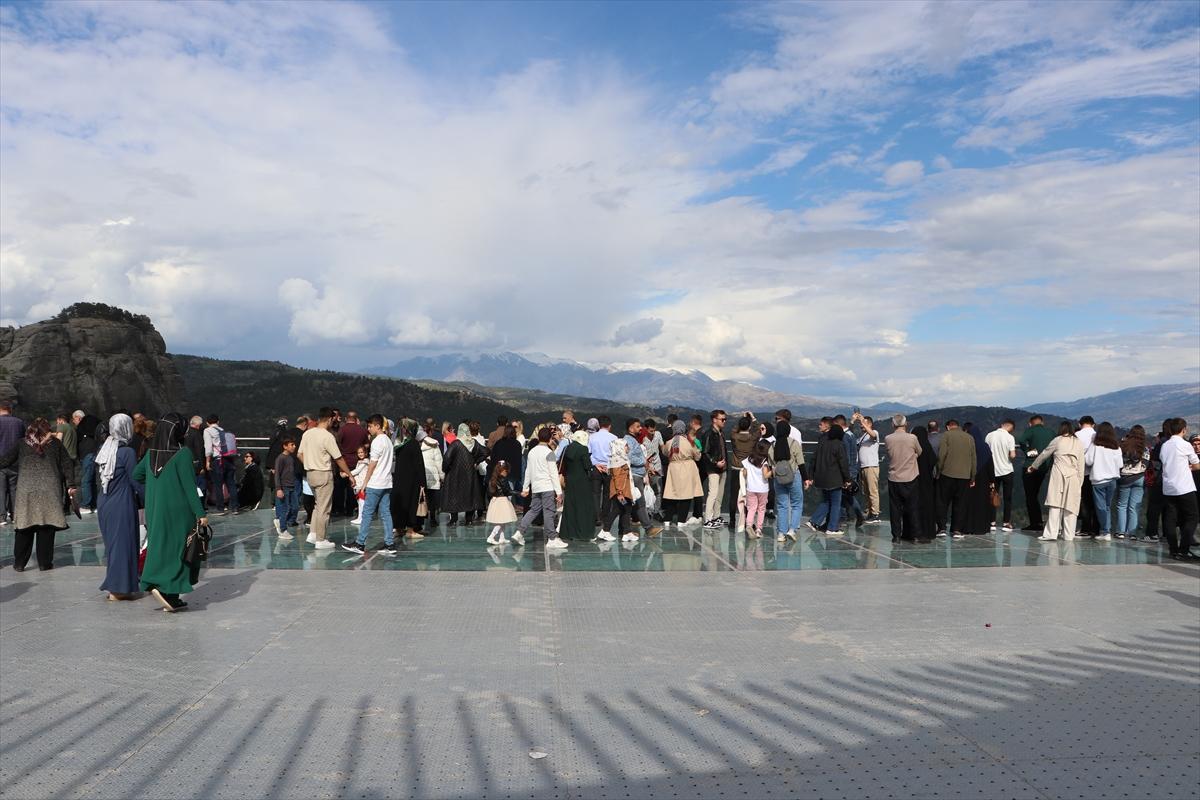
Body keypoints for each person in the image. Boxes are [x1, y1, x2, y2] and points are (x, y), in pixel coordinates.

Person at [135, 414, 208, 611]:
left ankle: (164, 589)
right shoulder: (182, 454)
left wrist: (156, 485)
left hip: (155, 509)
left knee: (161, 545)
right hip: (179, 510)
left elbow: (136, 474)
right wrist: (201, 514)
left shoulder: (151, 453)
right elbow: (189, 488)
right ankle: (169, 590)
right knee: (181, 550)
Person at [0, 417, 75, 571]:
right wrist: (71, 484)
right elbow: (67, 464)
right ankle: (44, 563)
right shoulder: (55, 444)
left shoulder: (22, 443)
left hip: (26, 492)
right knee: (46, 527)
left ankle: (19, 563)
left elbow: (5, 460)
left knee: (24, 528)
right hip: (50, 491)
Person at [95, 413, 142, 599]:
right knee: (124, 544)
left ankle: (117, 585)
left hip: (105, 502)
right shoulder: (127, 452)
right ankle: (118, 588)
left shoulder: (104, 449)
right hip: (121, 501)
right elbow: (135, 481)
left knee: (114, 546)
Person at [296, 407, 351, 549]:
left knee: (317, 505)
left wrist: (309, 463)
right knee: (324, 508)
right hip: (323, 474)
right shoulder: (327, 436)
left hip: (310, 474)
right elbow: (338, 458)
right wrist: (349, 474)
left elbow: (299, 454)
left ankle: (313, 534)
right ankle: (321, 539)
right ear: (330, 418)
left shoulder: (308, 433)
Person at [343, 415, 397, 555]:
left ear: (378, 426)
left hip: (376, 483)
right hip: (387, 482)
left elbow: (372, 464)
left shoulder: (377, 441)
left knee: (367, 513)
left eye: (370, 426)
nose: (369, 429)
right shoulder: (388, 441)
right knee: (385, 513)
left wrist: (365, 483)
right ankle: (389, 544)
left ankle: (360, 543)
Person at [1028, 421, 1085, 542]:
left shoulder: (1057, 440)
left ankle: (1051, 534)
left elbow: (1044, 454)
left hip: (1058, 473)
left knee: (1055, 504)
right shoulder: (1079, 442)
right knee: (1071, 507)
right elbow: (1081, 464)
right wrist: (1080, 482)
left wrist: (1033, 466)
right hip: (1074, 475)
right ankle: (1069, 535)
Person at [516, 427, 567, 549]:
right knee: (549, 512)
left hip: (536, 486)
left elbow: (528, 471)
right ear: (550, 439)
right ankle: (552, 538)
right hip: (547, 487)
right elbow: (553, 473)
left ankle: (519, 532)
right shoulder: (549, 453)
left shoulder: (532, 452)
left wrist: (525, 487)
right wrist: (559, 492)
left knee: (533, 510)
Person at [1159, 418, 1199, 560]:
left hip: (1169, 487)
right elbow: (1196, 465)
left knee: (1170, 518)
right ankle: (1184, 548)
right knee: (1192, 517)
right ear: (1184, 430)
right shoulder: (1185, 444)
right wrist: (1188, 467)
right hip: (1184, 486)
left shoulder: (1165, 445)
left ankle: (1173, 549)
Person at [885, 414, 924, 543]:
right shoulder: (912, 438)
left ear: (893, 425)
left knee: (895, 508)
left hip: (894, 477)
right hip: (910, 476)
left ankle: (896, 535)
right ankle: (915, 535)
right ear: (905, 424)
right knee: (913, 507)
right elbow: (920, 451)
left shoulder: (888, 438)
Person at [936, 420, 976, 539]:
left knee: (943, 502)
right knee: (960, 504)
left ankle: (942, 528)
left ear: (948, 427)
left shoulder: (946, 435)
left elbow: (942, 454)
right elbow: (974, 458)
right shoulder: (969, 437)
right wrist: (972, 476)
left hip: (947, 474)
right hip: (964, 476)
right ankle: (957, 530)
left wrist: (939, 470)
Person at [809, 424, 850, 535]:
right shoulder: (839, 445)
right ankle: (832, 528)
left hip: (821, 478)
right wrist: (847, 478)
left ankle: (814, 521)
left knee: (826, 501)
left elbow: (813, 459)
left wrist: (811, 475)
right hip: (835, 479)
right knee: (836, 503)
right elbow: (843, 463)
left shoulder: (822, 443)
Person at [391, 419, 428, 541]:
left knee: (400, 504)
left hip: (399, 479)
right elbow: (419, 465)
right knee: (411, 503)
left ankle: (398, 528)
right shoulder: (413, 443)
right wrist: (423, 483)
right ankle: (410, 530)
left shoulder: (398, 444)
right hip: (412, 480)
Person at [1085, 422, 1123, 540]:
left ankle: (1105, 531)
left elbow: (1088, 461)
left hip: (1098, 480)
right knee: (1107, 506)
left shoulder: (1095, 446)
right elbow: (1120, 464)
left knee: (1101, 507)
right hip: (1112, 480)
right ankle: (1107, 530)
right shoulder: (1116, 447)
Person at [1017, 415, 1055, 531]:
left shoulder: (1031, 430)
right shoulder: (1051, 432)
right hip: (1045, 467)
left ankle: (1035, 523)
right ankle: (1039, 522)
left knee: (1030, 496)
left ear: (1030, 423)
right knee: (1036, 494)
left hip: (1030, 465)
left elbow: (1021, 440)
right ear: (1042, 422)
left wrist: (1028, 452)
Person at [771, 420, 807, 542]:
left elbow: (771, 464)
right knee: (797, 504)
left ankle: (781, 533)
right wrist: (806, 478)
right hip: (794, 476)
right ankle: (792, 530)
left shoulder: (772, 446)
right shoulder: (794, 443)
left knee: (782, 506)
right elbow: (801, 463)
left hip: (778, 478)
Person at [662, 420, 703, 527]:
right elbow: (697, 456)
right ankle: (681, 520)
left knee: (672, 494)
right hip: (687, 468)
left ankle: (667, 519)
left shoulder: (670, 442)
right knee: (686, 495)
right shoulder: (689, 442)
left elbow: (665, 452)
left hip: (673, 468)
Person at [441, 423, 485, 525]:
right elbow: (486, 452)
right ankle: (469, 519)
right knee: (470, 495)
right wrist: (476, 462)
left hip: (455, 474)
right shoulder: (473, 443)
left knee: (454, 496)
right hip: (470, 474)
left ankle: (454, 519)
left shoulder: (456, 443)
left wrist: (445, 468)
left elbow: (447, 457)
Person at [559, 430, 596, 542]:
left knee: (570, 507)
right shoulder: (583, 449)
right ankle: (584, 533)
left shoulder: (567, 448)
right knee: (584, 508)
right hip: (582, 482)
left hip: (570, 480)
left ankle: (567, 533)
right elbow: (587, 466)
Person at [1115, 425, 1149, 540]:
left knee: (1122, 505)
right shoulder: (1145, 448)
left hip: (1125, 478)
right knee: (1134, 507)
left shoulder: (1124, 445)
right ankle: (1132, 533)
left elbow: (1118, 461)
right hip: (1139, 478)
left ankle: (1120, 531)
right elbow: (1146, 464)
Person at [334, 411, 370, 516]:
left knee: (340, 487)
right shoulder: (362, 430)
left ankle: (340, 509)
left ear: (346, 418)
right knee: (353, 486)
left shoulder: (342, 430)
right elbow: (367, 444)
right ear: (356, 418)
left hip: (344, 461)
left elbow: (337, 444)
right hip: (357, 461)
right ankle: (350, 509)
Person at [984, 420, 1017, 531]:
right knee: (1008, 498)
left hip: (993, 471)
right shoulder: (1009, 438)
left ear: (1002, 425)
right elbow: (1012, 455)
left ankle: (991, 522)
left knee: (993, 496)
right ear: (1011, 428)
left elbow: (985, 452)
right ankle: (1006, 523)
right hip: (1006, 470)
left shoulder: (989, 435)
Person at [963, 423, 994, 535]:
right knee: (982, 504)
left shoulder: (967, 445)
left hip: (969, 478)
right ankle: (981, 527)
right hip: (984, 480)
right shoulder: (985, 447)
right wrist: (992, 480)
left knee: (969, 503)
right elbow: (990, 464)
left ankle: (968, 527)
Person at [728, 414, 756, 531]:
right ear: (749, 427)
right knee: (749, 496)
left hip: (736, 468)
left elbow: (733, 430)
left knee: (734, 495)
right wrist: (753, 419)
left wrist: (740, 421)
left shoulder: (734, 437)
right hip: (748, 470)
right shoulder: (752, 438)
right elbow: (759, 430)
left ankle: (732, 520)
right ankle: (747, 520)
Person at [700, 410, 728, 529]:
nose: (724, 421)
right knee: (713, 493)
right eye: (722, 419)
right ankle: (708, 519)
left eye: (725, 419)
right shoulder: (709, 433)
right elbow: (705, 452)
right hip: (714, 469)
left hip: (723, 468)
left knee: (719, 494)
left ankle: (716, 516)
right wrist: (716, 463)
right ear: (714, 420)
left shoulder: (720, 433)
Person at [588, 416, 617, 531]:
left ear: (599, 425)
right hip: (609, 467)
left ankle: (596, 517)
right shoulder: (614, 437)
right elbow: (616, 454)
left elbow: (588, 453)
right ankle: (605, 517)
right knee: (607, 494)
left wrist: (595, 464)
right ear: (610, 425)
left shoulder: (592, 437)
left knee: (595, 493)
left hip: (596, 467)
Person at [0, 401, 26, 525]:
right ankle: (15, 515)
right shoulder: (19, 422)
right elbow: (24, 441)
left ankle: (2, 517)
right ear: (10, 410)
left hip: (1, 461)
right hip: (16, 461)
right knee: (14, 489)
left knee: (1, 490)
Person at [741, 440, 773, 539]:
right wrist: (773, 471)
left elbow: (744, 473)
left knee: (751, 508)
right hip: (762, 489)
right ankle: (758, 530)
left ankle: (749, 525)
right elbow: (765, 475)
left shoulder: (749, 459)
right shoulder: (765, 461)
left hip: (751, 488)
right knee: (761, 509)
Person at [854, 413, 881, 523]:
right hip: (863, 466)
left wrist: (863, 422)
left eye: (864, 424)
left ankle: (875, 514)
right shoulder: (862, 437)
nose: (861, 427)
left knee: (872, 490)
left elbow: (873, 436)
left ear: (869, 424)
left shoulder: (874, 433)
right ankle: (869, 511)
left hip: (871, 466)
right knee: (866, 491)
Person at [913, 425, 938, 542]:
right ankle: (929, 531)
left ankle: (914, 531)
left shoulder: (914, 448)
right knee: (928, 505)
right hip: (927, 481)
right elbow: (933, 460)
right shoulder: (927, 447)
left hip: (914, 480)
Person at [74, 410, 102, 514]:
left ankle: (86, 505)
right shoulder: (93, 426)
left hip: (87, 455)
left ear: (78, 418)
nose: (74, 422)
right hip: (95, 453)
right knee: (92, 480)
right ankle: (94, 504)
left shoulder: (82, 427)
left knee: (85, 480)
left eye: (74, 419)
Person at [1075, 416, 1099, 536]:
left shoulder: (1076, 436)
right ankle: (1096, 528)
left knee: (1084, 501)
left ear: (1080, 424)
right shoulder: (1097, 436)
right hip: (1095, 473)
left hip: (1080, 472)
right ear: (1093, 424)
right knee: (1095, 502)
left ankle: (1085, 528)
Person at [273, 437, 300, 539]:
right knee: (284, 508)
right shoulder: (280, 458)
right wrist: (278, 488)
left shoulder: (291, 458)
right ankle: (283, 530)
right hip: (284, 487)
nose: (294, 446)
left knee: (295, 507)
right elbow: (277, 475)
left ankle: (281, 521)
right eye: (291, 445)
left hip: (292, 486)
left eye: (294, 445)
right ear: (285, 446)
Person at [485, 461, 518, 545]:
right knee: (500, 522)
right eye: (506, 471)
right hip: (502, 501)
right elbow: (507, 491)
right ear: (502, 470)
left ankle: (502, 538)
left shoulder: (493, 479)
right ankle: (491, 537)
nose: (507, 473)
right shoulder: (503, 479)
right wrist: (519, 493)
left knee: (502, 521)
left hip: (495, 501)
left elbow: (490, 493)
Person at [420, 423, 444, 527]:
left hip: (421, 474)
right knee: (432, 499)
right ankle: (433, 519)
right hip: (433, 475)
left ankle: (422, 517)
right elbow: (439, 462)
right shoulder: (434, 445)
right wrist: (442, 476)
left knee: (422, 497)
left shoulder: (418, 444)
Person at [348, 445, 370, 524]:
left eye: (361, 452)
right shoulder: (360, 462)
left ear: (366, 453)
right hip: (359, 484)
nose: (360, 454)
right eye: (358, 453)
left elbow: (357, 471)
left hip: (362, 484)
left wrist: (347, 473)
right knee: (359, 501)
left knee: (362, 502)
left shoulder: (365, 462)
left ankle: (362, 518)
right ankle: (360, 517)